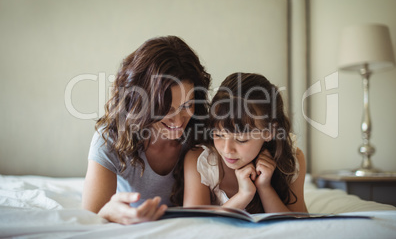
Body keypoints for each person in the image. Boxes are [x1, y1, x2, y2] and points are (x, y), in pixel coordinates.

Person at [82, 36, 211, 224]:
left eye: (187, 105)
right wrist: (108, 213)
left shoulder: (200, 134)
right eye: (166, 109)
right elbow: (89, 219)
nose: (178, 121)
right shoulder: (110, 138)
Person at [182, 72, 308, 213]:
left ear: (269, 132)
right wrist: (243, 196)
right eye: (218, 134)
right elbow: (194, 226)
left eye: (241, 139)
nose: (227, 149)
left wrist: (265, 188)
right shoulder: (201, 161)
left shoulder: (291, 159)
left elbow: (299, 227)